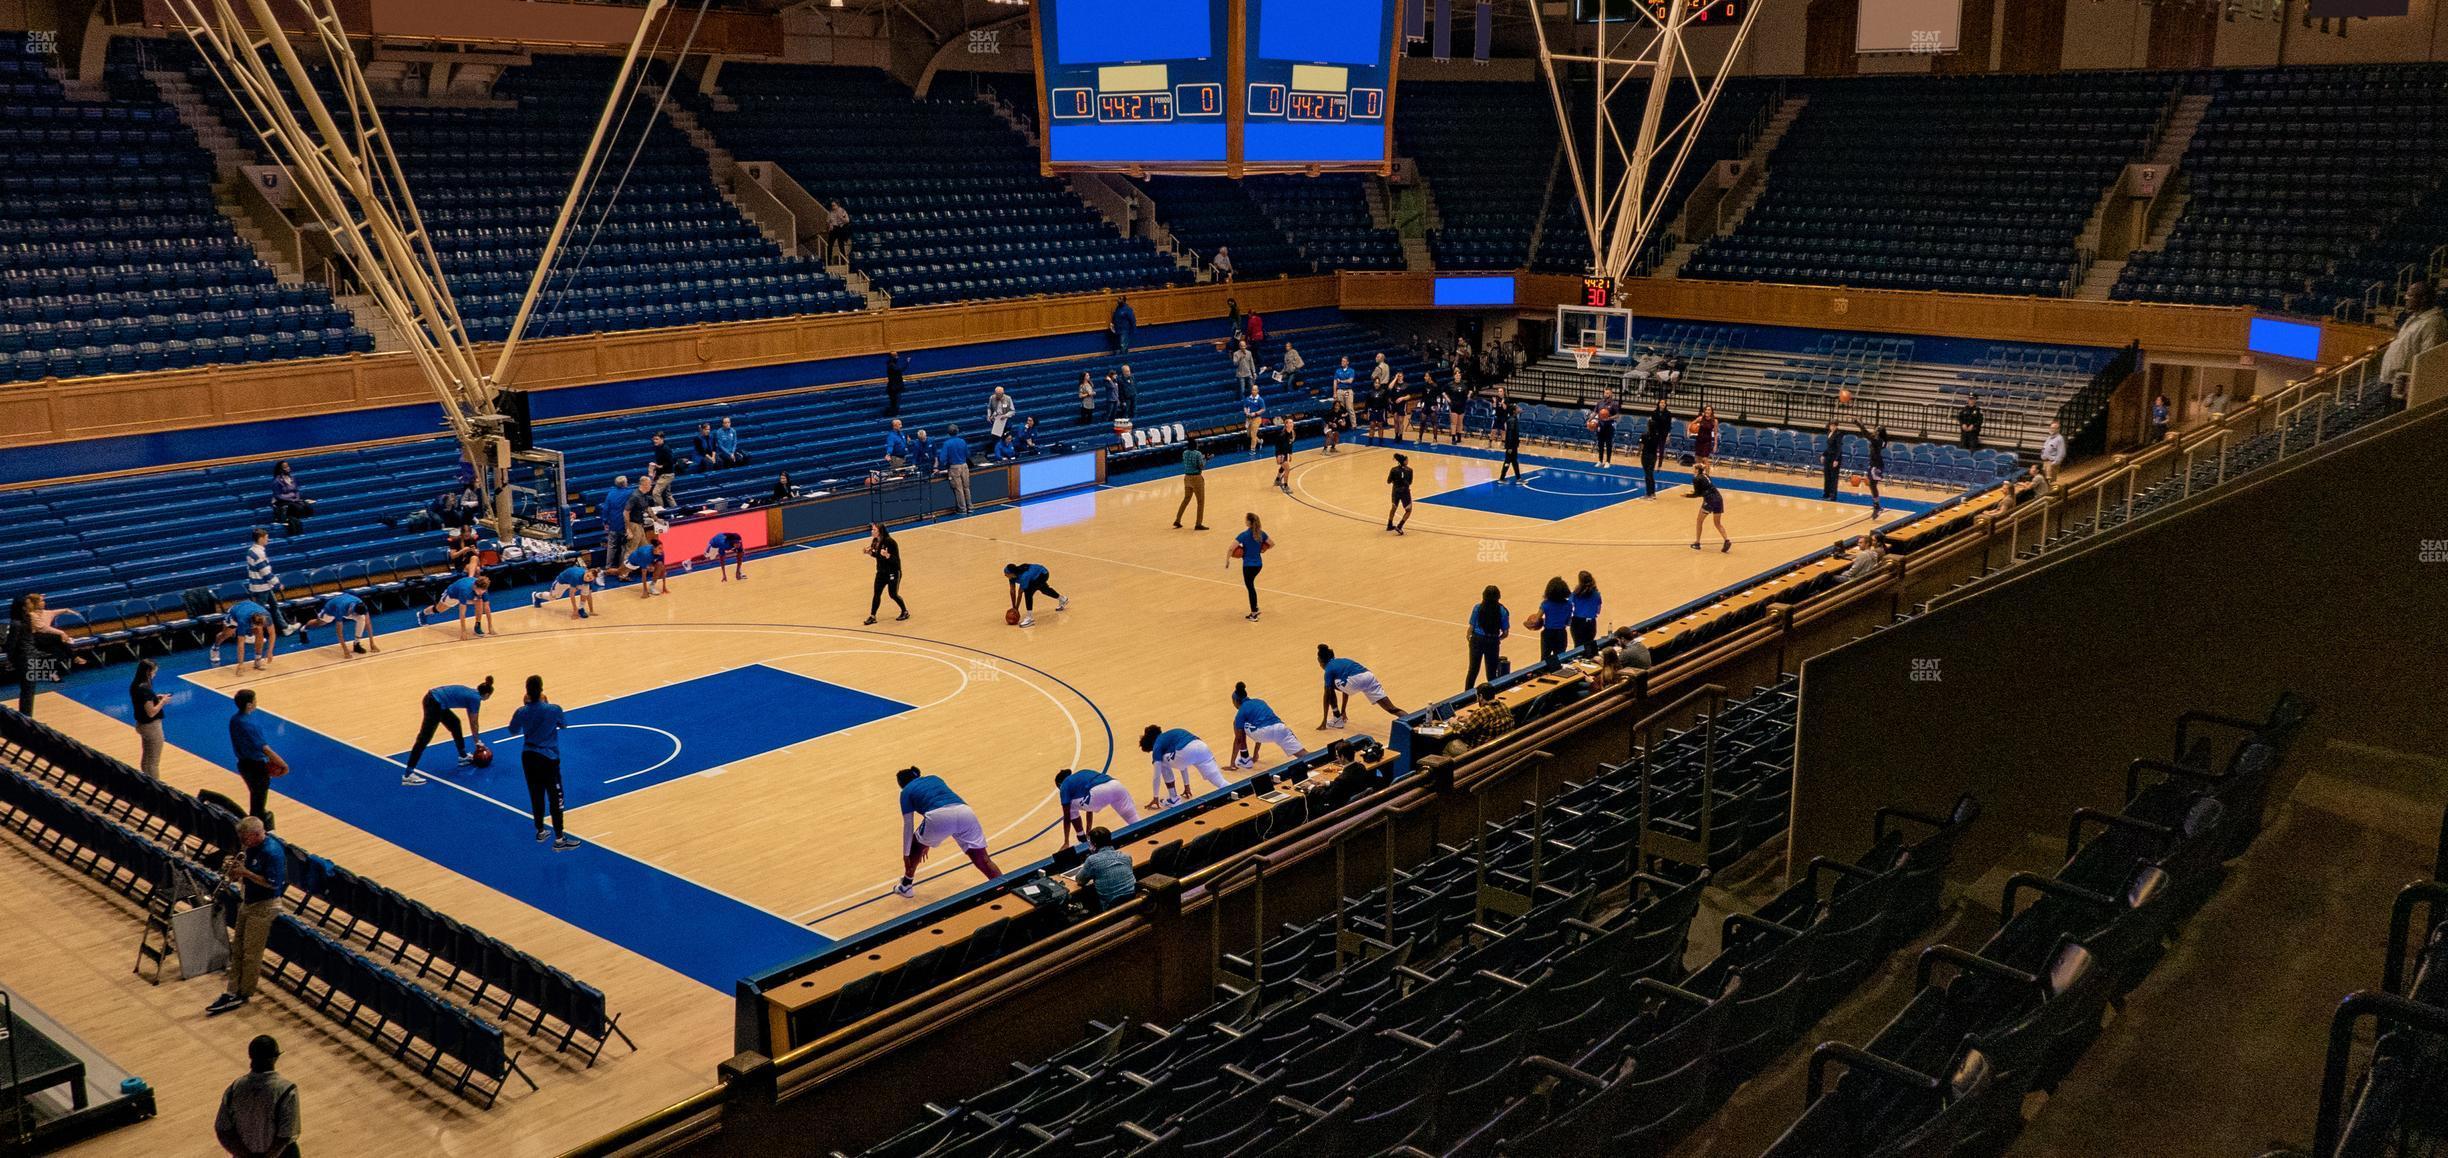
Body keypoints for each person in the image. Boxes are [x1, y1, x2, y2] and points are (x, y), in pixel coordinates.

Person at [205, 815, 286, 1017]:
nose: (242, 841)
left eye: (245, 837)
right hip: (248, 901)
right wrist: (234, 873)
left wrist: (246, 873)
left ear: (256, 834)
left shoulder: (272, 852)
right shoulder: (250, 847)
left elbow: (273, 884)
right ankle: (232, 991)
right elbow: (241, 873)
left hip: (264, 906)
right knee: (238, 947)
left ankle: (244, 992)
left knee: (251, 953)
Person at [894, 766, 1002, 897]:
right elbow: (944, 804)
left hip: (939, 817)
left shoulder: (906, 792)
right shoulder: (934, 778)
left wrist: (906, 853)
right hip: (965, 812)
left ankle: (906, 886)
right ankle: (1004, 886)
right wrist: (927, 839)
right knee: (983, 860)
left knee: (916, 843)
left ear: (902, 784)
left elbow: (908, 825)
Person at [509, 675, 579, 850]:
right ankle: (559, 838)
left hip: (528, 756)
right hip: (548, 758)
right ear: (542, 689)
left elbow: (512, 730)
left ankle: (540, 830)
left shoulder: (522, 711)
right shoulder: (553, 709)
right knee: (556, 798)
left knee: (536, 794)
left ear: (527, 691)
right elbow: (564, 725)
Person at [214, 1033, 301, 1157]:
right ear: (274, 1058)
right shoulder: (286, 1090)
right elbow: (286, 1135)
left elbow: (223, 1129)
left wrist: (244, 1154)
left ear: (250, 1056)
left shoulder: (235, 1088)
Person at [8, 593, 77, 712]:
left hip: (31, 655)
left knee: (30, 689)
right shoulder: (17, 623)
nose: (31, 605)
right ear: (23, 607)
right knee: (27, 689)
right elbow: (11, 644)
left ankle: (27, 716)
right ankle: (26, 716)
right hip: (24, 658)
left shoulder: (27, 618)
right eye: (29, 603)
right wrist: (11, 660)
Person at [225, 689, 284, 818]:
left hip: (243, 764)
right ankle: (256, 831)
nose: (257, 702)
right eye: (255, 700)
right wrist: (282, 764)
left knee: (255, 798)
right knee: (258, 804)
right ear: (249, 705)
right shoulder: (249, 724)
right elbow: (265, 749)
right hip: (256, 766)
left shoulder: (234, 719)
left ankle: (255, 825)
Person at [2381, 280, 2443, 398]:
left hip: (2404, 386)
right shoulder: (2413, 318)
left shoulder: (2433, 323)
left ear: (2423, 299)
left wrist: (2410, 387)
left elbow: (2428, 358)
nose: (2406, 298)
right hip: (2393, 382)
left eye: (2410, 296)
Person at [1141, 724, 1227, 808]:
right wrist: (1186, 785)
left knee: (1161, 762)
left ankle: (1174, 798)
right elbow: (1183, 763)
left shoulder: (1157, 744)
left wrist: (1155, 796)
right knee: (1221, 783)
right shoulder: (1172, 735)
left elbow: (1157, 775)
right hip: (1202, 747)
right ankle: (1233, 791)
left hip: (1185, 753)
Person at [1317, 644, 1402, 729]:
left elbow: (1327, 695)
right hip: (1368, 676)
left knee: (1329, 686)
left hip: (1354, 681)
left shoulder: (1328, 669)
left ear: (1320, 661)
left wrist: (1324, 721)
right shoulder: (1344, 660)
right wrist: (1343, 710)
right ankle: (1411, 721)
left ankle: (1337, 718)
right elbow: (1345, 688)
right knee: (1391, 708)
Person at [1228, 681, 1306, 769]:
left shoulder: (1241, 711)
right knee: (1304, 755)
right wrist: (1255, 753)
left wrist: (1232, 764)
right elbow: (1262, 724)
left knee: (1238, 724)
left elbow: (1238, 740)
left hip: (1262, 733)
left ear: (1235, 701)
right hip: (1280, 728)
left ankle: (1245, 759)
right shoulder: (1260, 702)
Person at [1055, 767, 1139, 842]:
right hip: (1115, 784)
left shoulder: (1064, 785)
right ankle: (1142, 831)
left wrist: (1066, 841)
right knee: (1134, 820)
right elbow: (1089, 809)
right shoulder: (1083, 774)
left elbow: (1067, 816)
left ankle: (1081, 836)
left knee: (1070, 806)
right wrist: (1088, 831)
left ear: (1059, 784)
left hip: (1098, 793)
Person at [242, 528, 295, 638]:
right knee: (257, 613)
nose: (268, 540)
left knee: (274, 606)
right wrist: (277, 584)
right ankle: (250, 634)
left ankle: (285, 628)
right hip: (261, 588)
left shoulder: (251, 550)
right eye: (266, 538)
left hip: (263, 586)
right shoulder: (258, 553)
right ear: (260, 538)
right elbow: (265, 572)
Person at [1070, 826, 1137, 912]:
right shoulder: (1126, 857)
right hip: (1134, 902)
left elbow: (1079, 880)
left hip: (1112, 909)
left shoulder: (1092, 860)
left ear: (1094, 845)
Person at [303, 590, 378, 657]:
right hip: (330, 609)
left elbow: (368, 623)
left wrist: (372, 643)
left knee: (362, 619)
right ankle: (304, 628)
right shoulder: (340, 608)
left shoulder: (361, 604)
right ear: (353, 611)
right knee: (319, 623)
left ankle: (356, 644)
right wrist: (345, 650)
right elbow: (339, 632)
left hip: (346, 605)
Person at [417, 573, 496, 636]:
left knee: (479, 601)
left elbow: (487, 608)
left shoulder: (483, 590)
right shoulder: (465, 590)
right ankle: (422, 613)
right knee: (439, 609)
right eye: (479, 591)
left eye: (482, 592)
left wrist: (490, 627)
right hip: (452, 595)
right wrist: (463, 631)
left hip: (466, 593)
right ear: (475, 587)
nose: (480, 593)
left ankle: (477, 625)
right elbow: (462, 612)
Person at [212, 598, 277, 670]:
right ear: (253, 624)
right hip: (235, 612)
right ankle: (215, 648)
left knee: (259, 633)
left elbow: (272, 634)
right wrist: (240, 663)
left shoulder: (267, 616)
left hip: (249, 607)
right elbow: (241, 643)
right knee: (227, 634)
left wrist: (270, 651)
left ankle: (258, 660)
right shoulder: (243, 620)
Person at [1465, 584, 1510, 688]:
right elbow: (1506, 633)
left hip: (1477, 640)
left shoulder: (1478, 608)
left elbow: (1470, 630)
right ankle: (1492, 696)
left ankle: (1465, 697)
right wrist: (1497, 639)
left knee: (1473, 671)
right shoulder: (1502, 611)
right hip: (1492, 641)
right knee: (1491, 673)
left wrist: (1471, 640)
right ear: (1498, 596)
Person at [864, 522, 908, 625]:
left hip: (893, 572)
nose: (872, 531)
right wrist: (870, 553)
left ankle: (905, 611)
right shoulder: (875, 542)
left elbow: (896, 560)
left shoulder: (891, 542)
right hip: (881, 572)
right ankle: (872, 616)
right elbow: (878, 556)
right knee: (876, 594)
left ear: (880, 531)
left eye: (874, 530)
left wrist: (888, 555)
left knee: (893, 594)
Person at [1447, 683, 1514, 750]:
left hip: (1482, 751)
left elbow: (1462, 732)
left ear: (1481, 696)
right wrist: (1470, 719)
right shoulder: (1503, 706)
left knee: (1449, 746)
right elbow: (1491, 718)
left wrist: (1454, 723)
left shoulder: (1480, 713)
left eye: (1477, 696)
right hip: (1502, 746)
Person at [129, 658, 166, 777]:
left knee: (147, 759)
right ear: (148, 672)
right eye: (154, 672)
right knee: (153, 762)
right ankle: (155, 788)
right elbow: (151, 712)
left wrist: (155, 698)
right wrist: (163, 702)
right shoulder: (145, 689)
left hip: (142, 725)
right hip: (151, 727)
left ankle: (146, 781)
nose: (155, 675)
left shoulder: (135, 685)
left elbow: (143, 702)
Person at [1231, 513, 1271, 621]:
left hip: (1248, 566)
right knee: (1251, 586)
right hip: (1258, 565)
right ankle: (1255, 608)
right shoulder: (1261, 533)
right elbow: (1271, 544)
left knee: (1250, 588)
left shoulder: (1244, 535)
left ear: (1249, 522)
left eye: (1246, 520)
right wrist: (1262, 549)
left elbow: (1231, 549)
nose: (1245, 521)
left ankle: (1254, 613)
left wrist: (1227, 561)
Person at [1004, 562, 1067, 627]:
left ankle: (1030, 618)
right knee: (1045, 590)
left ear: (1011, 573)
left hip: (1042, 574)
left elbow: (1020, 593)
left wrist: (1016, 609)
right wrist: (1013, 607)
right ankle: (1063, 599)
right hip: (1034, 576)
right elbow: (1012, 591)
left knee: (1028, 592)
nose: (1005, 575)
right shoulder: (1011, 577)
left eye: (1006, 574)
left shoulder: (1024, 577)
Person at [532, 561, 599, 619]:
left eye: (590, 578)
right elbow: (571, 594)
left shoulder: (590, 580)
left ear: (593, 579)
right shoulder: (576, 576)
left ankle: (581, 609)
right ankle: (536, 595)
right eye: (587, 576)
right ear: (586, 571)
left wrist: (591, 611)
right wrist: (574, 609)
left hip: (574, 582)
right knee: (552, 598)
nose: (588, 579)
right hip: (562, 582)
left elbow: (589, 595)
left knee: (586, 591)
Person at [1851, 421, 1890, 516]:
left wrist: (1859, 424)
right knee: (1872, 485)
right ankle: (1877, 505)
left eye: (1876, 430)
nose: (1874, 431)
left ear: (1879, 432)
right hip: (1874, 463)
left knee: (1872, 484)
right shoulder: (1879, 440)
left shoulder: (1878, 440)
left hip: (1876, 465)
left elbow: (1866, 434)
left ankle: (1877, 506)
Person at [1691, 462, 1731, 553]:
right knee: (1717, 523)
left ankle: (1697, 543)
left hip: (1710, 500)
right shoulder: (1706, 476)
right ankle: (1726, 540)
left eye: (1694, 468)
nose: (1692, 470)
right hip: (1718, 498)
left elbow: (1697, 494)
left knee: (1699, 520)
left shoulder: (1696, 478)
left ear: (1697, 470)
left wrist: (1688, 495)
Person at [1640, 398, 1672, 498]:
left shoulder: (1644, 436)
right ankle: (1650, 493)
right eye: (1661, 402)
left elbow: (1668, 425)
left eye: (1664, 403)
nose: (1662, 404)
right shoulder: (1654, 413)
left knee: (1648, 474)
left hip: (1659, 437)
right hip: (1652, 450)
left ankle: (1651, 492)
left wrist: (1667, 435)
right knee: (1648, 474)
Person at [940, 423, 973, 514]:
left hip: (954, 467)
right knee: (966, 487)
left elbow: (943, 458)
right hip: (964, 465)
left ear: (948, 433)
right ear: (957, 431)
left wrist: (945, 465)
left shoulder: (947, 443)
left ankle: (962, 508)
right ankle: (970, 506)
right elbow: (968, 454)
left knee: (958, 488)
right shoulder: (962, 441)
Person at [1173, 442, 1208, 530]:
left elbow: (1191, 462)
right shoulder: (1198, 453)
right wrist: (1206, 459)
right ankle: (1198, 524)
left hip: (1187, 478)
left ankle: (1178, 519)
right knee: (1200, 501)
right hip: (1196, 478)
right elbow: (1201, 466)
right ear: (1195, 446)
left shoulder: (1185, 453)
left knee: (1186, 499)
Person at [269, 460, 308, 536]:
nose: (288, 468)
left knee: (307, 507)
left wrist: (296, 498)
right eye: (285, 467)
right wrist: (291, 499)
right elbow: (278, 495)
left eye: (288, 466)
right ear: (280, 469)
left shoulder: (292, 478)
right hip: (281, 501)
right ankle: (288, 518)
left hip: (293, 499)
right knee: (298, 508)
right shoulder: (276, 481)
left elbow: (296, 490)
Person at [1567, 571, 1602, 651]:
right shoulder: (1597, 594)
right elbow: (1598, 610)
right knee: (1589, 646)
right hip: (1591, 623)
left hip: (1577, 623)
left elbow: (1569, 606)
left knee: (1578, 647)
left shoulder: (1575, 594)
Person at [1690, 405, 1721, 485]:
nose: (1707, 411)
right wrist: (1689, 431)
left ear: (1711, 412)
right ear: (1704, 411)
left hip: (1707, 441)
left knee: (1705, 459)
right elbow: (1691, 424)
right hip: (1699, 440)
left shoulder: (1715, 421)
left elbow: (1716, 433)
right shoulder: (1700, 418)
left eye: (1709, 410)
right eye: (1706, 410)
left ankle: (1707, 478)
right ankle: (1696, 478)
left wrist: (1715, 445)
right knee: (1697, 460)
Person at [1386, 452, 1415, 535]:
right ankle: (1400, 526)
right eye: (1407, 460)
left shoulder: (1393, 469)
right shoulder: (1410, 470)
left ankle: (1389, 524)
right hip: (1405, 492)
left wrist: (1395, 481)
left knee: (1394, 507)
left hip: (1395, 491)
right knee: (1408, 510)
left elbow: (1388, 481)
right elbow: (1410, 482)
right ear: (1405, 461)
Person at [647, 434, 678, 504]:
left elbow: (672, 461)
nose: (654, 441)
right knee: (668, 495)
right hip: (663, 474)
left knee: (655, 493)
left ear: (662, 439)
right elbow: (660, 461)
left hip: (667, 474)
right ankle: (676, 509)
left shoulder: (665, 448)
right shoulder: (658, 448)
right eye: (654, 439)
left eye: (656, 439)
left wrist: (660, 466)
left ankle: (660, 512)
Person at [1590, 393, 1618, 468]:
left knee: (1608, 445)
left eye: (1608, 393)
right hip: (1600, 426)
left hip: (1609, 426)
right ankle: (1600, 461)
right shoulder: (1599, 403)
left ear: (1611, 395)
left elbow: (1617, 415)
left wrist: (1609, 418)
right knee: (1600, 444)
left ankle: (1608, 461)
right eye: (1605, 393)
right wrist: (1589, 420)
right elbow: (1595, 413)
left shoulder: (1614, 404)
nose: (1606, 395)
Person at [1498, 402, 1523, 483]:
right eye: (1517, 408)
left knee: (1514, 461)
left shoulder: (1514, 418)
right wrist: (1510, 447)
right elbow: (1510, 434)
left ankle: (1518, 478)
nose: (1519, 409)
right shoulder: (1512, 420)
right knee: (1508, 461)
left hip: (1513, 444)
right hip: (1511, 445)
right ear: (1514, 411)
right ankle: (1502, 478)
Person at [1269, 414, 1295, 493]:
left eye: (1292, 423)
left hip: (1285, 453)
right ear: (1286, 424)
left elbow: (1290, 444)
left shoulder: (1292, 433)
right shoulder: (1282, 435)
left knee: (1283, 467)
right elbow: (1277, 446)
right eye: (1289, 423)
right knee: (1287, 468)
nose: (1291, 424)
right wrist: (1279, 456)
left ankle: (1277, 480)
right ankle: (1286, 486)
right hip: (1280, 453)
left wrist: (1290, 454)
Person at [1821, 419, 1845, 501]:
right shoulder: (1829, 433)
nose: (1832, 427)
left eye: (1834, 425)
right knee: (1827, 476)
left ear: (1836, 426)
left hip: (1834, 458)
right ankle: (1826, 493)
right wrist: (1823, 455)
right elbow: (1829, 447)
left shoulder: (1839, 434)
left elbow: (1839, 448)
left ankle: (1832, 495)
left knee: (1833, 478)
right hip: (1828, 457)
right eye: (1831, 425)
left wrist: (1837, 460)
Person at [1241, 380, 1266, 453]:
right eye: (1252, 390)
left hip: (1256, 418)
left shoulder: (1260, 400)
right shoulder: (1248, 399)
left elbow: (1263, 409)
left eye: (1255, 390)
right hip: (1248, 419)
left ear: (1258, 391)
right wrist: (1245, 411)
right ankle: (1260, 441)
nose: (1254, 391)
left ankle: (1252, 449)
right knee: (1249, 434)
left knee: (1253, 434)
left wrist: (1255, 413)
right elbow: (1245, 406)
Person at [1332, 356, 1357, 424]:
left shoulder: (1351, 370)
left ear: (1347, 362)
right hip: (1339, 390)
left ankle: (1354, 424)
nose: (1342, 362)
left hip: (1348, 390)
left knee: (1349, 408)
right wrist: (1334, 392)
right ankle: (1341, 424)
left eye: (1344, 361)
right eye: (1341, 361)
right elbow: (1335, 382)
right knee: (1340, 408)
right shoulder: (1338, 371)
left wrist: (1341, 381)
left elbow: (1350, 381)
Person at [885, 351, 906, 415]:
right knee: (895, 402)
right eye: (896, 356)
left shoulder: (892, 364)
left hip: (896, 386)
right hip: (894, 387)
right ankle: (893, 414)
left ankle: (894, 413)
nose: (897, 357)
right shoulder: (891, 365)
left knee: (895, 402)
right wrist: (907, 363)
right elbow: (899, 370)